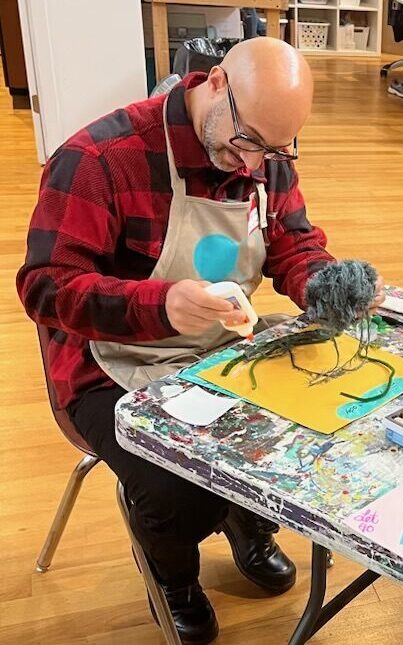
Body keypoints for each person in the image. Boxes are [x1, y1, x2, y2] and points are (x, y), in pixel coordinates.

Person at [17, 38, 382, 644]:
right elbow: (44, 288)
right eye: (248, 142)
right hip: (110, 358)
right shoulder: (100, 157)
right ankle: (175, 576)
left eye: (277, 149)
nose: (253, 165)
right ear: (215, 83)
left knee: (301, 432)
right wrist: (160, 304)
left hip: (217, 341)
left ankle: (246, 521)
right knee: (169, 479)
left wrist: (328, 285)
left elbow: (294, 244)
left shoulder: (264, 153)